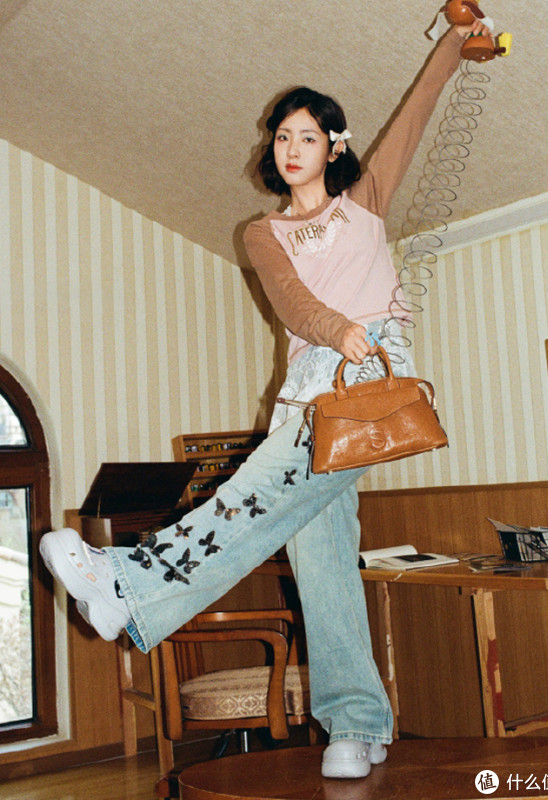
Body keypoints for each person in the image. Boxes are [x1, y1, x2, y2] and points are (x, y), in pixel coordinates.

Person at [40, 18, 488, 779]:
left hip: (366, 377)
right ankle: (359, 724)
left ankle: (130, 582)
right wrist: (333, 327)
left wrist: (455, 37)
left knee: (250, 495)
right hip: (306, 390)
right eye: (283, 136)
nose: (292, 146)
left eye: (308, 135)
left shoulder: (366, 200)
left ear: (335, 146)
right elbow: (290, 303)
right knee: (322, 564)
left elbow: (416, 112)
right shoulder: (262, 232)